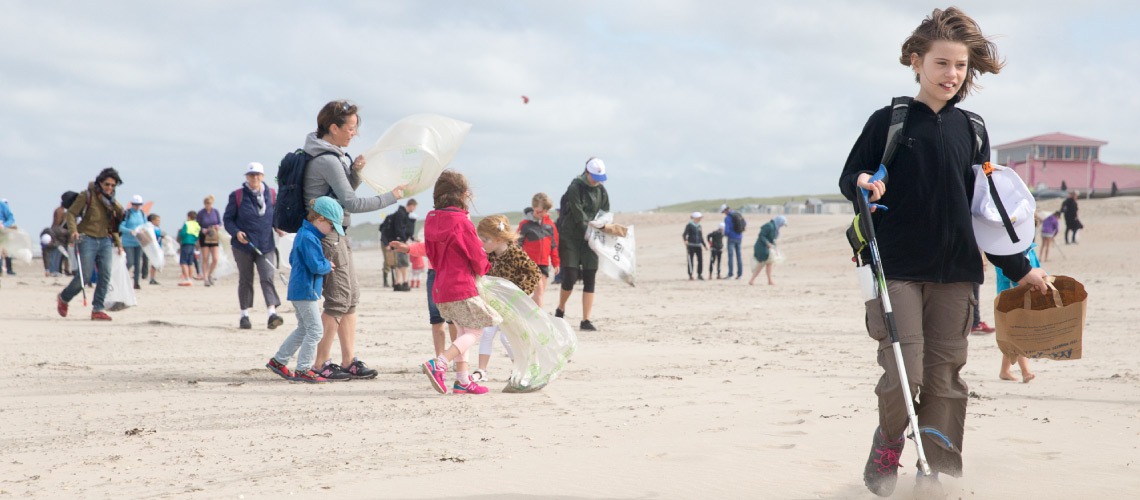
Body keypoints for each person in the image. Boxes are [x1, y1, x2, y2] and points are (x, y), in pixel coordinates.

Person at [838, 8, 1050, 497]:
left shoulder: (973, 130)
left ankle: (939, 474)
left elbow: (985, 213)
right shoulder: (888, 121)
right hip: (898, 269)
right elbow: (851, 175)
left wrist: (1023, 269)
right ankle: (888, 443)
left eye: (961, 66)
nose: (952, 74)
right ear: (917, 61)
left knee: (947, 377)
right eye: (942, 63)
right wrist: (862, 184)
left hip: (957, 272)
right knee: (903, 371)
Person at [303, 100, 405, 381]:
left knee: (350, 299)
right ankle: (320, 363)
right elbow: (351, 202)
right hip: (329, 236)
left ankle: (348, 361)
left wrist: (355, 173)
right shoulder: (326, 159)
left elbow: (337, 197)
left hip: (338, 233)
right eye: (350, 128)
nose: (354, 134)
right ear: (333, 128)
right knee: (337, 300)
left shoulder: (330, 156)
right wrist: (391, 197)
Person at [420, 170, 501, 395]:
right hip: (460, 285)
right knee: (476, 330)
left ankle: (462, 380)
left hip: (440, 284)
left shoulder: (430, 218)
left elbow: (431, 254)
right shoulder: (461, 221)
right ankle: (440, 362)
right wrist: (484, 268)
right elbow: (476, 255)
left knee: (462, 329)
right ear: (463, 194)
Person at [265, 197, 343, 384]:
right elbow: (316, 265)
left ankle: (279, 361)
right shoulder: (309, 237)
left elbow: (293, 259)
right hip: (306, 290)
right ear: (320, 219)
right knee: (316, 331)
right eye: (332, 226)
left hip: (299, 289)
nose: (332, 231)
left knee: (304, 329)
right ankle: (303, 369)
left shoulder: (303, 234)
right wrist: (327, 265)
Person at [473, 215, 542, 383]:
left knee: (507, 337)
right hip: (493, 303)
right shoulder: (488, 255)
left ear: (497, 239)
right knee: (487, 333)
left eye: (485, 239)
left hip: (512, 305)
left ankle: (520, 368)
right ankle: (482, 371)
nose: (481, 243)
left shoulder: (515, 253)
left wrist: (522, 293)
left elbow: (535, 273)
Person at [57, 168, 126, 321]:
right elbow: (72, 213)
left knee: (105, 274)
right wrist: (73, 231)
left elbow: (113, 223)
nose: (110, 188)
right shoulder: (86, 195)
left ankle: (98, 309)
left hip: (105, 240)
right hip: (86, 238)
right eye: (107, 184)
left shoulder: (112, 202)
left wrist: (118, 243)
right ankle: (64, 297)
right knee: (85, 276)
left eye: (113, 185)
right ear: (100, 183)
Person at [223, 162, 284, 330]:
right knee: (245, 279)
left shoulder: (271, 194)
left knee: (267, 277)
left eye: (258, 175)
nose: (255, 178)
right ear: (247, 177)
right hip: (243, 245)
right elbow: (228, 219)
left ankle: (272, 313)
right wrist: (236, 232)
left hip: (266, 244)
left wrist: (278, 227)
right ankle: (245, 315)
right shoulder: (237, 195)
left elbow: (276, 215)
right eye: (251, 175)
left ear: (263, 176)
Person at [555, 157, 610, 331]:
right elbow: (578, 214)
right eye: (594, 177)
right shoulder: (575, 187)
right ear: (587, 172)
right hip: (571, 236)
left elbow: (606, 211)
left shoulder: (601, 190)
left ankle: (586, 320)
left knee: (589, 276)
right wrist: (587, 230)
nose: (597, 181)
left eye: (599, 178)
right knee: (570, 276)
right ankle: (561, 308)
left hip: (591, 238)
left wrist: (602, 224)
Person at [389, 238, 459, 360]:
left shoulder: (460, 221)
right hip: (434, 273)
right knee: (436, 317)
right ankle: (440, 358)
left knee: (453, 318)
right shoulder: (433, 221)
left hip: (454, 272)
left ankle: (457, 357)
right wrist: (408, 248)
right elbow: (429, 246)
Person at [518, 193, 560, 308]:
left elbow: (554, 245)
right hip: (529, 264)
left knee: (539, 293)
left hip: (544, 264)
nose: (542, 214)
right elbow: (516, 245)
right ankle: (541, 319)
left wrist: (556, 262)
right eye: (539, 211)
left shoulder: (550, 226)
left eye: (545, 211)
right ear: (533, 208)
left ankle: (528, 313)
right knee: (539, 291)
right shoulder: (525, 225)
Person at [382, 199, 417, 291]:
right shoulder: (401, 214)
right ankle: (404, 283)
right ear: (411, 205)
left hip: (395, 240)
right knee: (404, 263)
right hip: (400, 241)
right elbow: (400, 229)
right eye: (414, 207)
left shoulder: (399, 213)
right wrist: (405, 240)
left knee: (398, 263)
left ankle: (398, 283)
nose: (414, 209)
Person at [118, 195, 147, 290]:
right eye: (135, 204)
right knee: (130, 261)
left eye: (139, 205)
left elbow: (145, 226)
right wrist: (130, 231)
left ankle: (136, 283)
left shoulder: (142, 214)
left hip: (139, 241)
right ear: (132, 204)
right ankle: (121, 277)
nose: (137, 206)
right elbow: (120, 227)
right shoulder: (127, 213)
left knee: (138, 263)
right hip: (128, 242)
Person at [748, 215, 786, 286]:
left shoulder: (774, 228)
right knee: (762, 264)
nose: (781, 226)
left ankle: (769, 280)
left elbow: (772, 240)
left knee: (769, 263)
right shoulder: (769, 226)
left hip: (766, 248)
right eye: (782, 224)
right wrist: (767, 243)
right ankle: (752, 280)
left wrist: (775, 249)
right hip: (762, 248)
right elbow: (761, 235)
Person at [197, 195, 223, 286]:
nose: (209, 205)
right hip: (204, 236)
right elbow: (197, 224)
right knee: (205, 258)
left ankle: (209, 274)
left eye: (210, 203)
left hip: (214, 235)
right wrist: (203, 229)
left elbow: (219, 222)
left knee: (215, 258)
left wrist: (217, 226)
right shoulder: (201, 213)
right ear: (204, 204)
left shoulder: (215, 212)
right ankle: (205, 278)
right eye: (207, 203)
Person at [720, 204, 744, 279]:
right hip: (739, 237)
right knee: (739, 256)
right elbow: (745, 223)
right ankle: (739, 274)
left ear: (725, 210)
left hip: (731, 238)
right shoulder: (738, 214)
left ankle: (730, 274)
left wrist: (725, 234)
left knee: (731, 257)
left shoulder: (727, 218)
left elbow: (726, 230)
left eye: (724, 212)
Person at [177, 211, 200, 286]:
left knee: (183, 262)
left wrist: (180, 235)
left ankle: (187, 278)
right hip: (192, 244)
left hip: (186, 243)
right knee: (190, 262)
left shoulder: (187, 223)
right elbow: (197, 236)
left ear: (189, 217)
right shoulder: (197, 225)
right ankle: (190, 278)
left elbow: (182, 234)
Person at [682, 212, 707, 280]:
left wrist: (704, 245)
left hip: (698, 245)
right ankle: (690, 275)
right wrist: (685, 240)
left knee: (700, 260)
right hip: (691, 245)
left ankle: (699, 274)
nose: (700, 219)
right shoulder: (689, 225)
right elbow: (684, 234)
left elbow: (701, 236)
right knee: (690, 260)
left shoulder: (699, 226)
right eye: (699, 218)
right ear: (696, 218)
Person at [1, 198, 16, 275]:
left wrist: (3, 225)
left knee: (7, 251)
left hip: (4, 232)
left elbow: (11, 219)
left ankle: (9, 270)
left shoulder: (3, 206)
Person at [147, 213, 164, 285]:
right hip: (153, 248)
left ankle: (153, 278)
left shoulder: (158, 228)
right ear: (152, 221)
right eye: (157, 220)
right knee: (154, 263)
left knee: (155, 263)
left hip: (158, 247)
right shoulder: (151, 228)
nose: (159, 222)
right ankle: (151, 278)